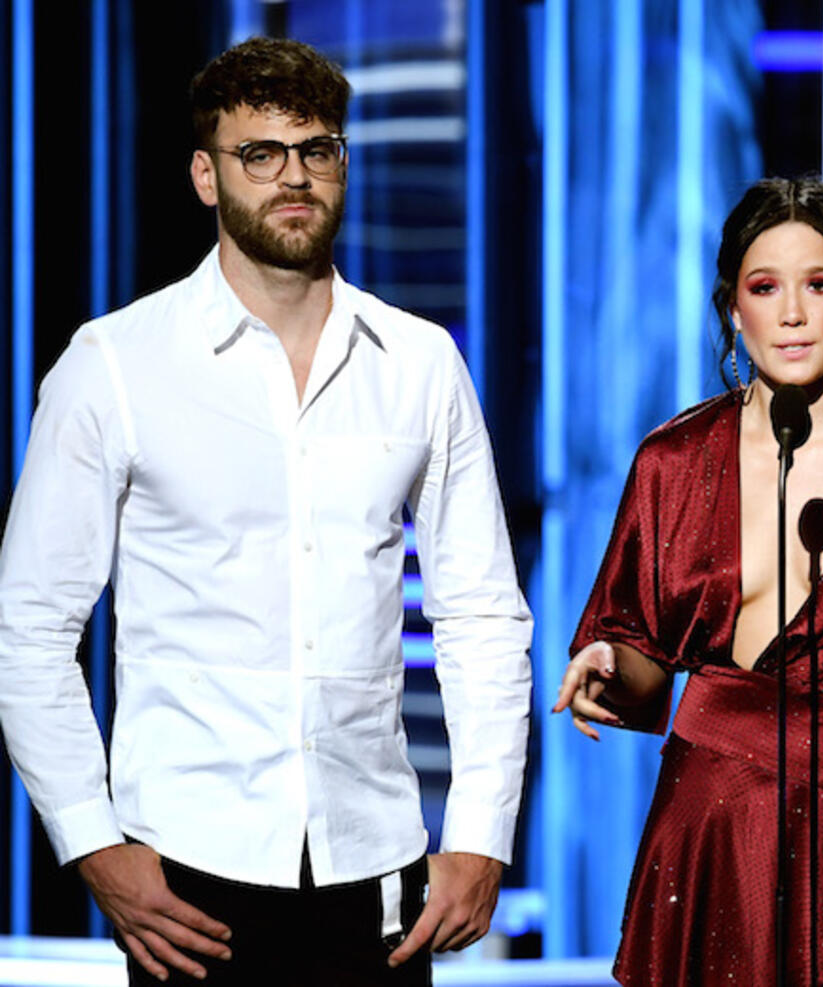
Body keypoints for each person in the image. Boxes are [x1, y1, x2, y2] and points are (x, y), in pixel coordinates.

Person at [0, 38, 532, 985]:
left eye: (316, 149)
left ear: (342, 163)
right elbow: (31, 626)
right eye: (261, 153)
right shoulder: (115, 364)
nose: (293, 176)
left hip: (375, 860)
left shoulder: (419, 363)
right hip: (188, 868)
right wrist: (92, 842)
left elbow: (482, 615)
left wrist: (483, 832)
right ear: (206, 176)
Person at [553, 177, 823, 986]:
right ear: (734, 307)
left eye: (818, 285)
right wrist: (610, 663)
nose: (792, 313)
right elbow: (647, 663)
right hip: (717, 819)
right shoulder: (671, 462)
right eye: (765, 288)